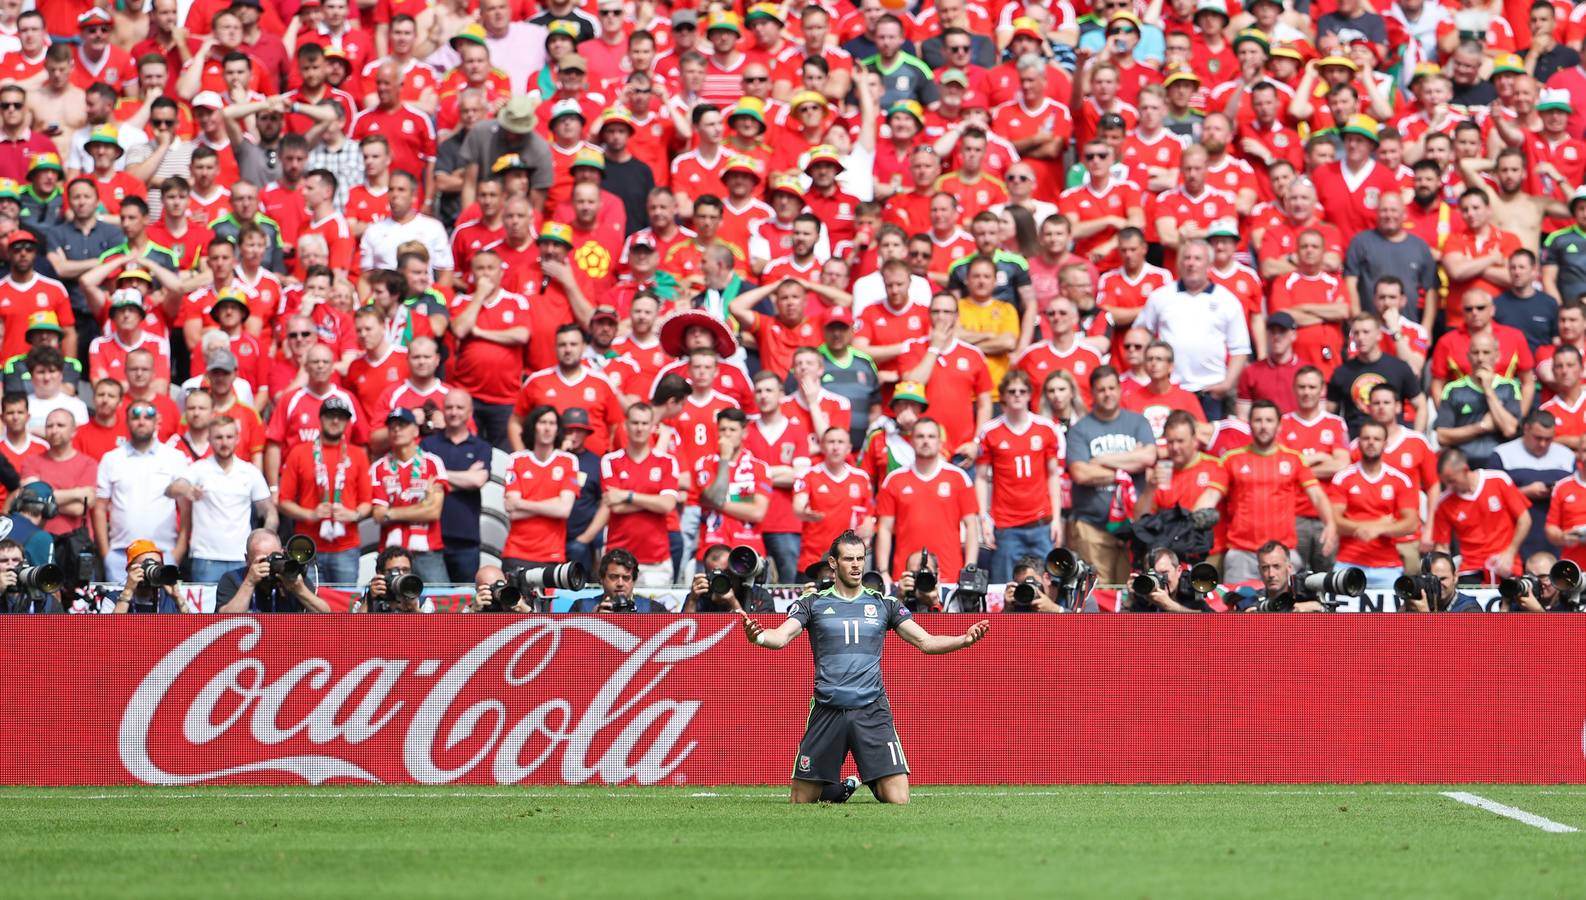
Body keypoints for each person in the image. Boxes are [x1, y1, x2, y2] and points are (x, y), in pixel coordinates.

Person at [737, 530, 990, 804]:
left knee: (898, 798)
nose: (856, 565)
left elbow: (926, 642)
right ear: (833, 563)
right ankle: (842, 787)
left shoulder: (884, 603)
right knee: (801, 800)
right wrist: (760, 636)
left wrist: (963, 640)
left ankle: (870, 774)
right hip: (828, 709)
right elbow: (781, 636)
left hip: (871, 710)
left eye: (860, 558)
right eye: (849, 559)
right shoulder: (812, 604)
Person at [1216, 401, 1336, 583]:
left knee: (1287, 610)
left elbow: (1317, 495)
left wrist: (1331, 524)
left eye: (1269, 420)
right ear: (1249, 424)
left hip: (1283, 554)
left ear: (1279, 425)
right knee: (1236, 610)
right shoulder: (1231, 459)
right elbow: (1211, 494)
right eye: (1258, 420)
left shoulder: (1294, 459)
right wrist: (1197, 513)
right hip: (1242, 554)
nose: (1264, 426)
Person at [1135, 240, 1250, 419]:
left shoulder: (1227, 300)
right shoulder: (1161, 297)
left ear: (1209, 264)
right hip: (1170, 389)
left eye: (1197, 258)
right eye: (1187, 258)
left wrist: (1227, 384)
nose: (1191, 263)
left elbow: (1240, 349)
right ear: (1180, 263)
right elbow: (1140, 335)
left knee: (1208, 446)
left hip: (1211, 391)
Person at [1065, 366, 1157, 584]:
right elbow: (1081, 473)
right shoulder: (1080, 429)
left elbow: (1148, 457)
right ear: (1093, 393)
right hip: (1092, 528)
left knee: (1132, 593)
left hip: (1133, 528)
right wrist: (1129, 463)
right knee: (1098, 593)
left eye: (1112, 388)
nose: (1107, 394)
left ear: (1119, 389)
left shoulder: (1137, 423)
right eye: (1101, 390)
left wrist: (1101, 460)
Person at [975, 369, 1063, 582]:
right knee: (1004, 587)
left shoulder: (1046, 428)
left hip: (1041, 522)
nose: (1017, 395)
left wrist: (1057, 519)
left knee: (1048, 584)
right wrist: (984, 519)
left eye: (1022, 391)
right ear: (1003, 395)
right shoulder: (990, 431)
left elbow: (1053, 475)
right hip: (1006, 525)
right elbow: (980, 477)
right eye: (1012, 391)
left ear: (1030, 395)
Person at [165, 415, 274, 584]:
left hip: (241, 557)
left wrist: (265, 543)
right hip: (205, 558)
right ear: (209, 439)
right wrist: (187, 490)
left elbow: (269, 511)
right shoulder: (199, 469)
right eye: (218, 437)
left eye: (229, 437)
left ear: (237, 438)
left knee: (240, 609)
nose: (224, 442)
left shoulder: (250, 471)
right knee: (206, 611)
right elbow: (171, 489)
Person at [276, 396, 372, 585]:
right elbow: (283, 501)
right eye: (330, 416)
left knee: (343, 607)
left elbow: (367, 502)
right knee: (309, 607)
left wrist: (354, 515)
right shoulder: (299, 452)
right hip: (307, 546)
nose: (335, 421)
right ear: (320, 419)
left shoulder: (358, 455)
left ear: (347, 422)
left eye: (341, 417)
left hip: (346, 547)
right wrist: (310, 514)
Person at [92, 400, 187, 583]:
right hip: (120, 556)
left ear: (157, 421)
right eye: (135, 417)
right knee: (119, 608)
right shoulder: (111, 459)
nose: (141, 422)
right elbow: (99, 508)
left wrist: (178, 551)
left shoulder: (175, 457)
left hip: (164, 554)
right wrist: (106, 553)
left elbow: (185, 508)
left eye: (147, 417)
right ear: (126, 422)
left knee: (163, 610)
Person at [875, 416, 979, 584]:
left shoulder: (958, 477)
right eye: (920, 436)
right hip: (904, 575)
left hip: (949, 574)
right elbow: (885, 529)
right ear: (911, 440)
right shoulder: (894, 480)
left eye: (931, 436)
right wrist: (883, 571)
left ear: (940, 442)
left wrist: (969, 570)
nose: (926, 441)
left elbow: (972, 526)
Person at [1328, 420, 1420, 589]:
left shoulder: (1399, 480)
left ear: (1385, 443)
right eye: (1366, 438)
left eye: (1377, 439)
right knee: (1340, 615)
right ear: (1358, 442)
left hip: (1388, 565)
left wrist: (1379, 529)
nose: (1371, 443)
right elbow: (1334, 521)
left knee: (1391, 615)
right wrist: (1379, 523)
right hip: (1348, 562)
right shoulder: (1343, 477)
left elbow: (1411, 524)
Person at [600, 402, 681, 588]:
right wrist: (653, 501)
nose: (639, 428)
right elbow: (615, 505)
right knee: (615, 617)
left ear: (653, 427)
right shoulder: (610, 461)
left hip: (656, 560)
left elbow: (667, 505)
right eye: (635, 423)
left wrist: (627, 495)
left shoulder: (667, 461)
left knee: (656, 616)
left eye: (645, 423)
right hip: (617, 560)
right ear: (626, 425)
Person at [369, 408, 450, 584]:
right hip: (392, 554)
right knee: (389, 607)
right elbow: (378, 514)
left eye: (403, 425)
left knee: (437, 605)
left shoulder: (432, 463)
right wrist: (422, 506)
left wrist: (391, 512)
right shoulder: (378, 468)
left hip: (428, 551)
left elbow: (434, 512)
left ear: (415, 430)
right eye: (392, 427)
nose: (396, 430)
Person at [421, 389, 493, 583]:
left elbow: (477, 481)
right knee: (433, 603)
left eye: (459, 407)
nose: (454, 412)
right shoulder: (428, 445)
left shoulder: (481, 447)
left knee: (465, 602)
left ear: (470, 412)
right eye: (449, 407)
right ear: (442, 411)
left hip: (466, 539)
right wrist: (465, 478)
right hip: (431, 538)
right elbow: (424, 482)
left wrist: (440, 477)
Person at [1432, 447, 1530, 582]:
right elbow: (1442, 545)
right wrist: (1443, 573)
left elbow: (1524, 519)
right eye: (1445, 482)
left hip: (1506, 562)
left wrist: (1510, 552)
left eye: (1452, 480)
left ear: (1465, 470)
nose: (1449, 486)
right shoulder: (1444, 502)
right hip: (1471, 567)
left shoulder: (1498, 480)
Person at [502, 404, 578, 570]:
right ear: (533, 426)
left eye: (552, 423)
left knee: (549, 597)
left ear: (558, 429)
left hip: (552, 554)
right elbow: (511, 510)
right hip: (516, 552)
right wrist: (553, 504)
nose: (547, 428)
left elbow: (564, 510)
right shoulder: (516, 459)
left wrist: (523, 503)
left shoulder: (568, 461)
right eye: (542, 422)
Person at [1433, 333, 1521, 468]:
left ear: (1497, 356)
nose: (1480, 358)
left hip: (1501, 464)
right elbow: (1442, 436)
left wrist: (1488, 390)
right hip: (1464, 465)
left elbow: (1510, 429)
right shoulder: (1453, 389)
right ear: (1468, 356)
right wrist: (1481, 427)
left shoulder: (1509, 387)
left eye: (1486, 352)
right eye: (1475, 352)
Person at [1494, 411, 1574, 559]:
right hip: (1516, 537)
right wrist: (1524, 492)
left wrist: (1558, 492)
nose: (1543, 444)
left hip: (1556, 537)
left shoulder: (1567, 456)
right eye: (1538, 438)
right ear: (1526, 429)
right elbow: (1491, 499)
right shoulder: (1503, 455)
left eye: (1548, 439)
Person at [214, 528, 329, 613]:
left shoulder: (292, 576)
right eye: (263, 560)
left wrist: (299, 590)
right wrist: (249, 583)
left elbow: (326, 616)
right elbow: (225, 621)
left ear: (283, 553)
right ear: (247, 559)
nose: (270, 565)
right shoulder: (233, 579)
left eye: (275, 558)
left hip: (287, 641)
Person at [568, 548, 669, 612]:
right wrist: (594, 621)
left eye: (626, 578)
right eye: (613, 577)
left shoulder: (654, 610)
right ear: (601, 578)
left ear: (634, 580)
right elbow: (569, 644)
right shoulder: (581, 607)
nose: (620, 583)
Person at [112, 540, 195, 614]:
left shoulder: (172, 599)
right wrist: (128, 591)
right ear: (130, 570)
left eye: (157, 564)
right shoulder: (113, 598)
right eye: (146, 565)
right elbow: (111, 630)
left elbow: (194, 630)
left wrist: (178, 598)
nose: (153, 568)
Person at [1123, 547, 1212, 613]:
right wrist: (1130, 601)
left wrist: (1172, 607)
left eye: (1164, 572)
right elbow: (1120, 633)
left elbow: (1217, 626)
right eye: (1152, 574)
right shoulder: (1144, 595)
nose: (1158, 578)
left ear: (1178, 571)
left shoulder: (1190, 590)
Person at [356, 547, 432, 614]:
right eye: (394, 571)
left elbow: (431, 629)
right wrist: (369, 600)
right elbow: (355, 628)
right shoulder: (365, 602)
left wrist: (414, 610)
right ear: (380, 573)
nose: (401, 575)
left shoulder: (422, 602)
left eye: (405, 570)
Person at [1400, 551, 1482, 612]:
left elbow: (1459, 635)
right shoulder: (1419, 604)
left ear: (1455, 577)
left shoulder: (1470, 608)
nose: (1438, 584)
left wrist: (1425, 617)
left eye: (1443, 579)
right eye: (1431, 580)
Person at [0, 537, 61, 614]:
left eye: (16, 560)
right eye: (3, 560)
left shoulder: (41, 597)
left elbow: (60, 624)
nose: (11, 565)